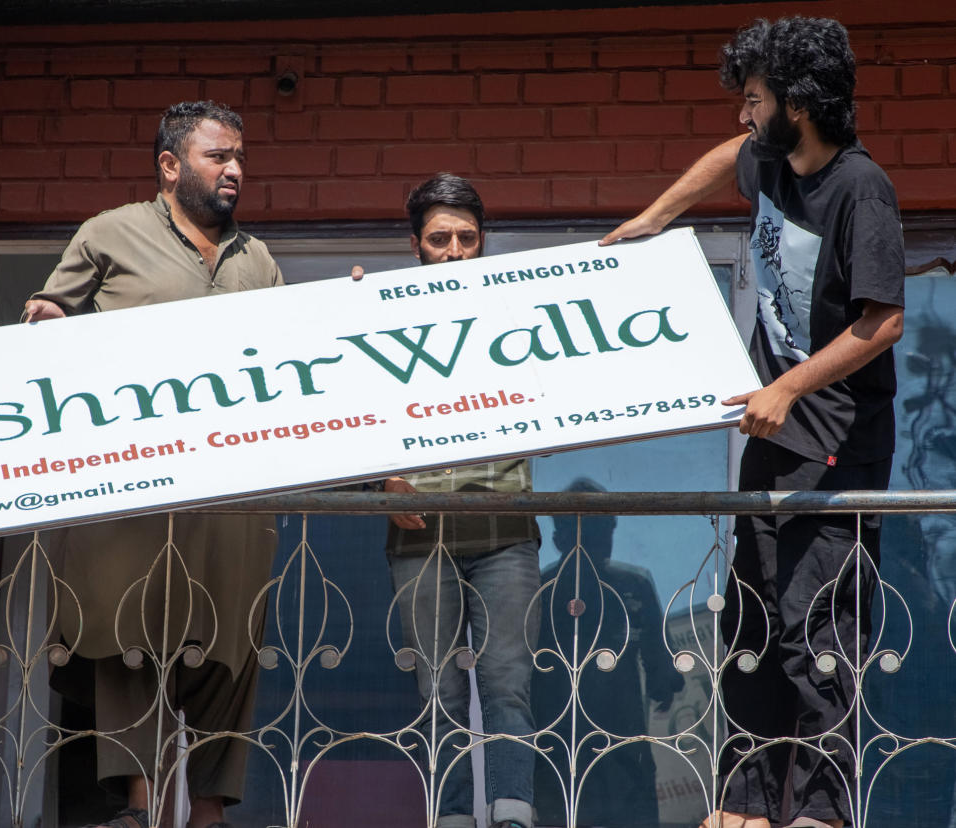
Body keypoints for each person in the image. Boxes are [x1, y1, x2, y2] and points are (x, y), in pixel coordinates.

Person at [601, 17, 905, 828]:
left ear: (796, 105)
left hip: (835, 443)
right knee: (753, 621)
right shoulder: (771, 157)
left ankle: (817, 811)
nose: (744, 115)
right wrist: (656, 218)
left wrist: (790, 386)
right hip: (774, 443)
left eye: (754, 98)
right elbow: (720, 160)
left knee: (817, 628)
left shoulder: (858, 187)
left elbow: (884, 322)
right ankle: (743, 802)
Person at [24, 100, 281, 828]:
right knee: (128, 636)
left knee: (227, 647)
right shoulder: (110, 234)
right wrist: (46, 319)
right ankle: (139, 806)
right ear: (170, 165)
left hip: (230, 494)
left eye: (239, 159)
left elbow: (292, 364)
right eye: (217, 157)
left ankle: (207, 813)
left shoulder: (257, 260)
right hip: (134, 483)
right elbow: (43, 329)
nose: (234, 171)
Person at [373, 174, 541, 828]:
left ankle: (511, 814)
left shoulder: (520, 316)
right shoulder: (379, 320)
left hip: (504, 532)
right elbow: (344, 417)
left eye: (466, 239)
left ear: (482, 243)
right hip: (418, 536)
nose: (453, 251)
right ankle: (449, 816)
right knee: (436, 691)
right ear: (415, 244)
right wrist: (381, 483)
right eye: (439, 238)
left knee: (506, 682)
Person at [532, 477, 682, 828]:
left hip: (617, 740)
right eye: (592, 531)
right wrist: (665, 681)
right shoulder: (543, 591)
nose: (598, 541)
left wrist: (665, 680)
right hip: (566, 742)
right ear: (558, 539)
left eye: (604, 530)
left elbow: (661, 657)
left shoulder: (632, 583)